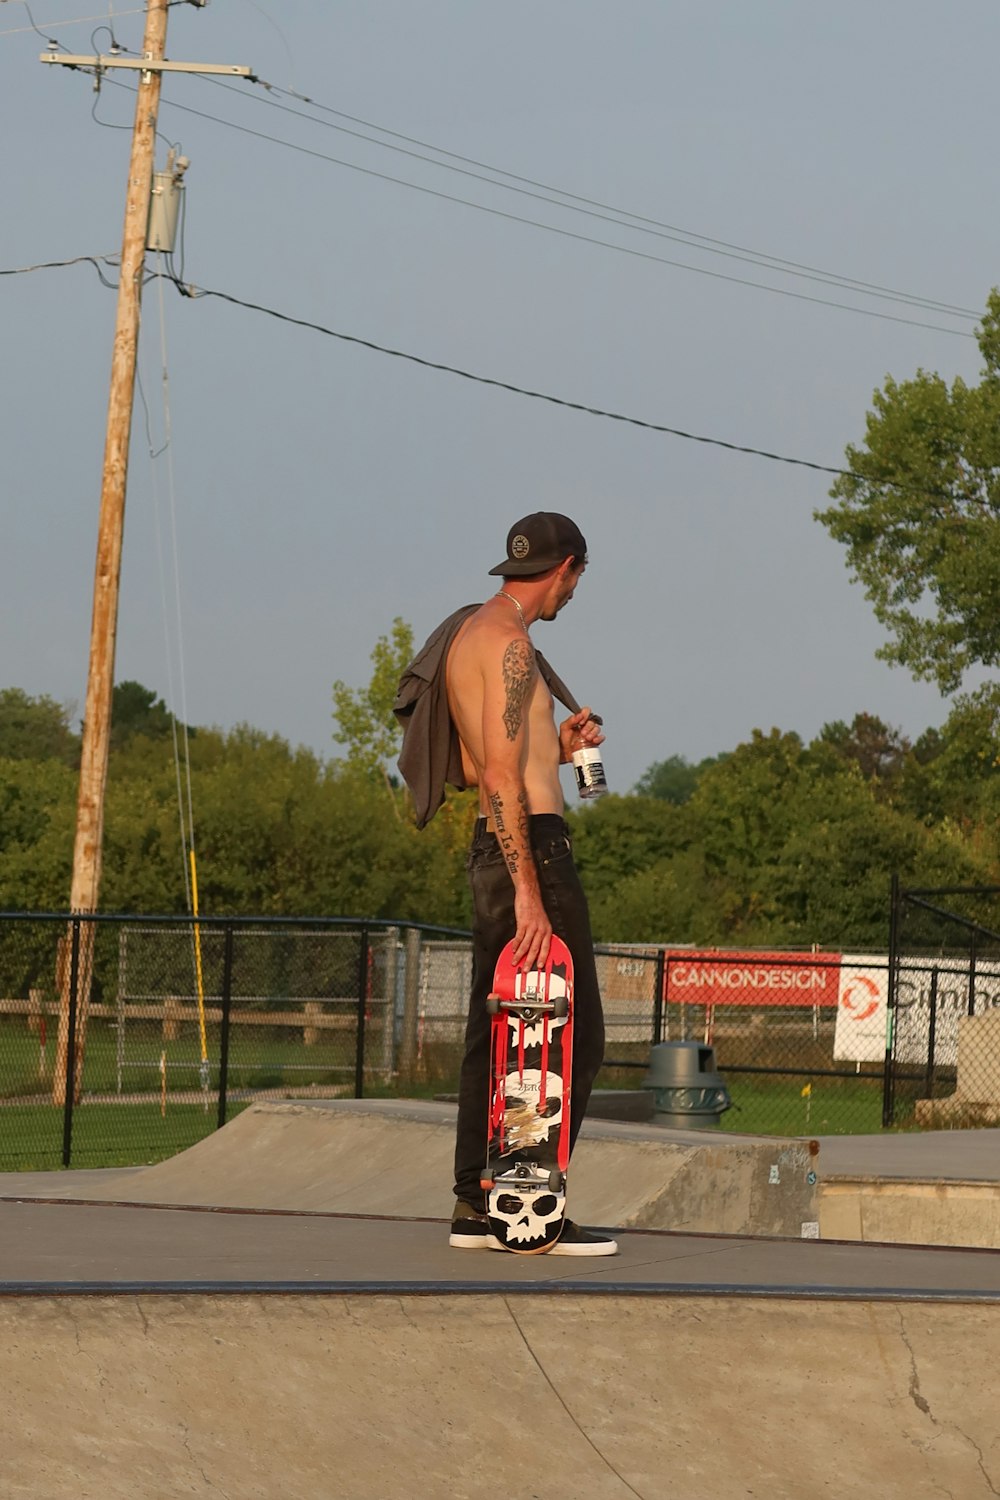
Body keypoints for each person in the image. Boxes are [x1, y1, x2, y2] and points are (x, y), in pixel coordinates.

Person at [444, 512, 618, 1256]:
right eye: (574, 582)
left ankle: (474, 1202)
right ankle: (529, 1197)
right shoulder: (515, 650)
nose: (570, 596)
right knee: (573, 1036)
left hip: (492, 846)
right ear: (567, 567)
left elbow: (490, 756)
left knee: (499, 1029)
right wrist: (528, 890)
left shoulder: (472, 636)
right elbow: (499, 774)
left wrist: (562, 744)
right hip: (531, 854)